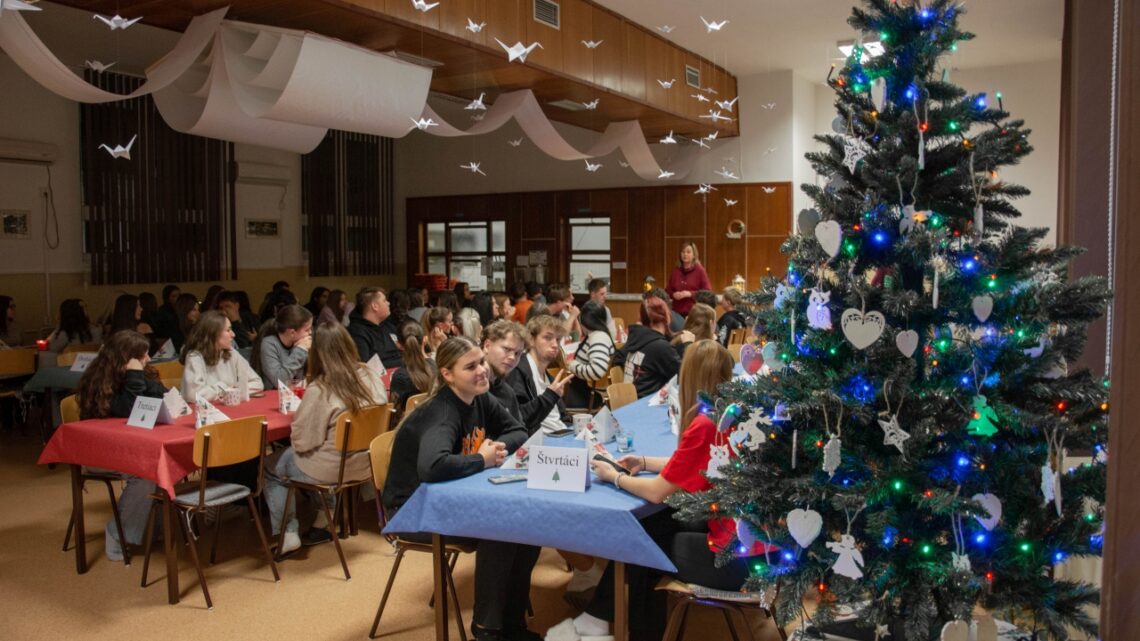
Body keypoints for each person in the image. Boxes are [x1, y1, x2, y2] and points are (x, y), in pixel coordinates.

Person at [548, 341, 764, 641]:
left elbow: (656, 493)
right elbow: (696, 463)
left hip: (735, 562)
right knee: (655, 524)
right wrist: (646, 461)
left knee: (641, 540)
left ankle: (604, 623)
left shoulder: (704, 423)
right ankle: (603, 621)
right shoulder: (730, 412)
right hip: (755, 547)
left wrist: (614, 477)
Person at [383, 336, 535, 641]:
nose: (482, 370)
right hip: (412, 510)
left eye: (481, 362)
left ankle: (512, 624)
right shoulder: (442, 413)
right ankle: (487, 630)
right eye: (471, 366)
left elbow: (518, 429)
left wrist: (497, 449)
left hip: (451, 497)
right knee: (501, 531)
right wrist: (482, 459)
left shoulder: (479, 397)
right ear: (447, 374)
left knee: (529, 527)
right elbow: (432, 467)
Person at [264, 322, 388, 554]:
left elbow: (302, 441)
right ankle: (323, 519)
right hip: (368, 466)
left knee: (272, 466)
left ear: (317, 353)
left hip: (333, 470)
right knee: (314, 455)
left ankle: (287, 533)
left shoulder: (321, 388)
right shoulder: (371, 376)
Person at [74, 330, 167, 562]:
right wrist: (135, 376)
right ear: (125, 360)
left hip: (132, 448)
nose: (148, 360)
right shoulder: (99, 383)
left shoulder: (138, 375)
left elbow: (162, 393)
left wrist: (140, 377)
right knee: (146, 472)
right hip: (99, 453)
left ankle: (151, 526)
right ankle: (118, 533)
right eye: (142, 357)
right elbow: (129, 409)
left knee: (161, 463)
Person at [507, 314, 573, 434]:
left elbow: (562, 417)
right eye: (548, 338)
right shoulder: (517, 371)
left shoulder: (549, 377)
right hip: (542, 442)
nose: (555, 345)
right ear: (531, 340)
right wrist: (550, 395)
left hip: (562, 433)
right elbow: (520, 417)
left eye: (557, 339)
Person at [180, 310, 264, 401]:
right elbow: (193, 395)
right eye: (228, 330)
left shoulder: (231, 353)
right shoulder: (194, 357)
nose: (233, 334)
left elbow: (257, 383)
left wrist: (231, 391)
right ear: (213, 334)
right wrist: (224, 388)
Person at [613, 296, 681, 398]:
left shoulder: (635, 338)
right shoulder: (660, 347)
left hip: (629, 403)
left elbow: (617, 357)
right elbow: (684, 376)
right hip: (647, 406)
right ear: (666, 317)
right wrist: (688, 345)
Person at [564, 300, 615, 409]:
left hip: (583, 395)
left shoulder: (598, 338)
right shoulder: (598, 335)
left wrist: (572, 365)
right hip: (583, 392)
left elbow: (597, 371)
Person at [252, 304, 313, 388]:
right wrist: (300, 350)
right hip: (274, 396)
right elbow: (280, 382)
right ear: (292, 333)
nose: (310, 333)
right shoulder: (269, 344)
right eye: (307, 330)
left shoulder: (301, 342)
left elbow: (305, 378)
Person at [388, 321, 437, 417]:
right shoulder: (436, 366)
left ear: (398, 344)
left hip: (410, 428)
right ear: (425, 339)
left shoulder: (400, 376)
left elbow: (394, 414)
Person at [347, 287, 403, 368]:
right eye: (384, 301)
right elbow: (365, 366)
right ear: (375, 306)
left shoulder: (387, 325)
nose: (388, 303)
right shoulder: (357, 332)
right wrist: (403, 362)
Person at [481, 320, 527, 418]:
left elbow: (519, 429)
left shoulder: (508, 393)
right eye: (507, 349)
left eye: (517, 353)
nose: (512, 357)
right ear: (487, 346)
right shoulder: (469, 389)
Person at [666, 241, 712, 317]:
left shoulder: (700, 270)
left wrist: (690, 294)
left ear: (694, 255)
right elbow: (667, 290)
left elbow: (707, 293)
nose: (685, 254)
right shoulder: (676, 271)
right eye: (683, 252)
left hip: (694, 314)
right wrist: (673, 294)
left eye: (688, 252)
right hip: (676, 313)